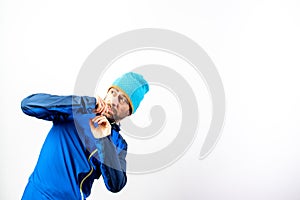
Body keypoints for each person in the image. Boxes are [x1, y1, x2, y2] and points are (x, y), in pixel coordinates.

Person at [21, 72, 149, 200]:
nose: (114, 101)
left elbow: (116, 185)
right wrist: (85, 102)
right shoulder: (79, 108)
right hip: (36, 194)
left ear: (129, 112)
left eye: (123, 99)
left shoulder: (119, 143)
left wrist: (103, 138)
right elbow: (27, 104)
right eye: (113, 93)